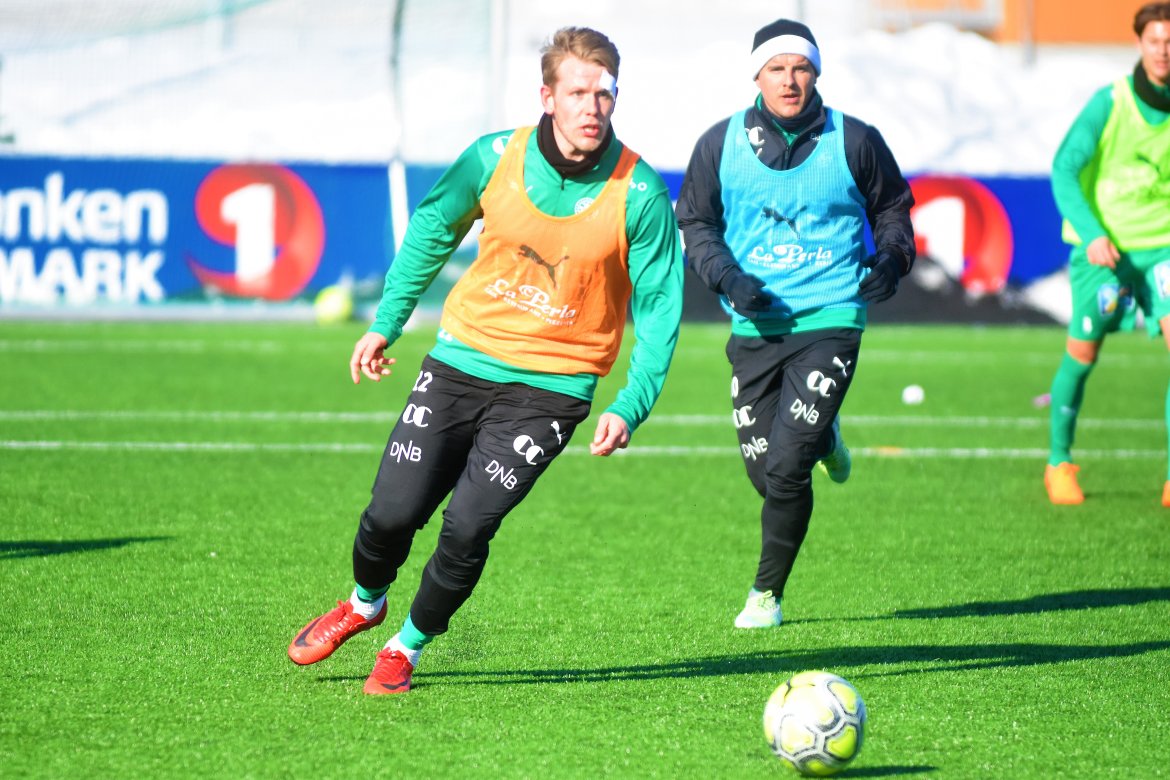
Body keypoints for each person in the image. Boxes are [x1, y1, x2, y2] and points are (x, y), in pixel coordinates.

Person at [287, 27, 683, 693]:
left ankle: (406, 647)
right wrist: (386, 323)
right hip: (460, 362)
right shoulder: (493, 157)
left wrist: (630, 403)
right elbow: (432, 228)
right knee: (390, 514)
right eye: (577, 93)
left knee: (468, 527)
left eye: (604, 94)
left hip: (553, 390)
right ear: (547, 97)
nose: (592, 107)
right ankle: (363, 604)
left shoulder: (638, 192)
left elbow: (662, 307)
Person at [675, 18, 915, 628]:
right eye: (777, 68)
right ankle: (825, 438)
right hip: (754, 327)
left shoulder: (855, 140)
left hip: (831, 317)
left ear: (816, 74)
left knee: (786, 470)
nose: (790, 80)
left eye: (801, 68)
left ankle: (766, 596)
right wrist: (728, 279)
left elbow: (892, 207)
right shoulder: (718, 144)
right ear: (756, 76)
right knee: (767, 475)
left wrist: (892, 259)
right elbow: (696, 224)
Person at [1045, 2, 1170, 506]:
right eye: (1155, 40)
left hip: (1163, 246)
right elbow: (1063, 169)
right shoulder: (1110, 103)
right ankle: (1059, 462)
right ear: (1139, 44)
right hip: (1106, 251)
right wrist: (1092, 233)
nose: (1164, 50)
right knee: (1083, 353)